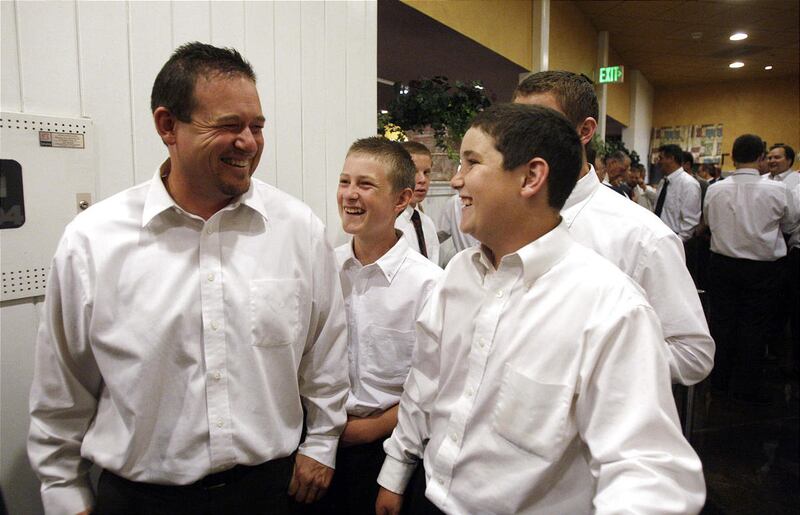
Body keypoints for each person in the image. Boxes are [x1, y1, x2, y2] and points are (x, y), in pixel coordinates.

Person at [27, 42, 350, 514]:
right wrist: (63, 492)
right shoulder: (93, 241)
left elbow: (325, 351)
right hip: (143, 499)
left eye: (257, 127)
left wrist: (322, 442)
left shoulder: (297, 230)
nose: (249, 143)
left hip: (268, 493)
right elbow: (62, 385)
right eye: (228, 126)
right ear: (167, 126)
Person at [374, 104, 705, 515]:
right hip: (432, 497)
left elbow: (648, 469)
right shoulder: (460, 273)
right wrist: (396, 468)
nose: (455, 179)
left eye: (472, 162)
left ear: (531, 177)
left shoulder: (608, 306)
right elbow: (427, 377)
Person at [512, 70, 713, 385]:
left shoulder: (642, 235)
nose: (524, 139)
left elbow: (691, 354)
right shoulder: (505, 215)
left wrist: (591, 360)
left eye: (540, 123)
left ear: (584, 130)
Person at [325, 137, 442, 514]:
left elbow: (434, 385)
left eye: (366, 185)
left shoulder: (429, 285)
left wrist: (371, 428)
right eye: (345, 182)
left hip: (394, 449)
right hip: (322, 442)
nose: (350, 195)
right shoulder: (324, 269)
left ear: (401, 200)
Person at [704, 134, 799, 404]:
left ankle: (719, 381)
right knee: (754, 327)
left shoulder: (716, 189)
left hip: (722, 264)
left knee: (722, 323)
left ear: (733, 157)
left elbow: (709, 221)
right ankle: (745, 386)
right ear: (761, 158)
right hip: (763, 269)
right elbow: (791, 224)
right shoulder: (778, 190)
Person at [394, 141, 440, 264]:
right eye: (414, 172)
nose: (422, 180)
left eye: (426, 173)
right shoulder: (389, 224)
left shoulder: (427, 223)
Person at [654, 144, 702, 242]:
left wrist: (678, 241)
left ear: (671, 158)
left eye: (661, 158)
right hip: (658, 237)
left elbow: (690, 220)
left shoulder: (689, 184)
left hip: (675, 239)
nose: (658, 162)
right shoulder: (663, 182)